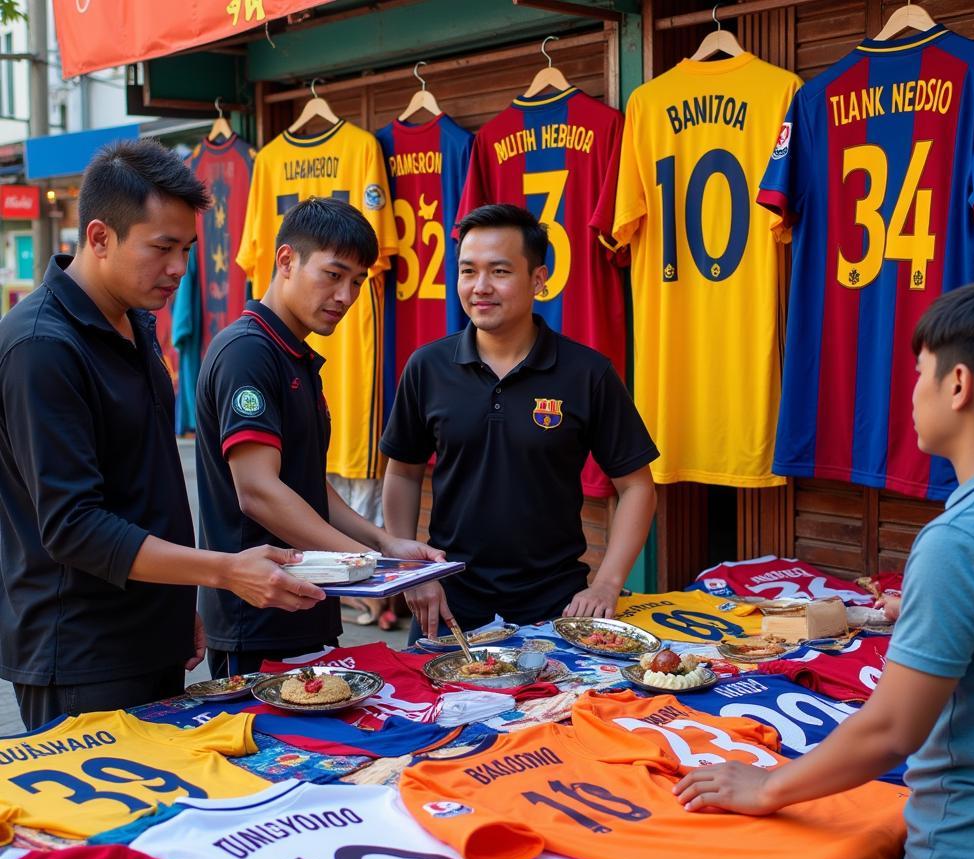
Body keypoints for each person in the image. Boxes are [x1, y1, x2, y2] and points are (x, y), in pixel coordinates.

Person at [674, 281, 974, 859]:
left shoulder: (961, 541)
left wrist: (765, 788)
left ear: (959, 384)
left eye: (917, 370)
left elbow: (893, 728)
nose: (910, 392)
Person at [0, 140, 325, 730]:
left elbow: (148, 485)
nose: (179, 268)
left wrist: (181, 604)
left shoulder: (136, 325)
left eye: (187, 249)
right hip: (80, 650)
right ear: (99, 237)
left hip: (154, 633)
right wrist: (222, 571)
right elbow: (73, 526)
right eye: (162, 248)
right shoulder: (42, 347)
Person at [381, 203, 658, 640]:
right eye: (468, 271)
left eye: (500, 272)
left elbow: (637, 486)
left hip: (554, 606)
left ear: (539, 279)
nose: (480, 287)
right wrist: (410, 571)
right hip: (448, 604)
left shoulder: (587, 373)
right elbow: (402, 473)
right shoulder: (427, 367)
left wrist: (606, 582)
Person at [195, 197, 443, 676]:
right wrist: (370, 564)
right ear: (286, 261)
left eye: (357, 281)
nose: (346, 296)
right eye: (333, 274)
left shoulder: (296, 356)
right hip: (260, 614)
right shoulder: (248, 352)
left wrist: (385, 543)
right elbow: (259, 493)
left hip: (309, 605)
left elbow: (305, 483)